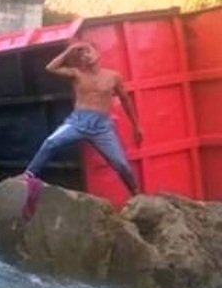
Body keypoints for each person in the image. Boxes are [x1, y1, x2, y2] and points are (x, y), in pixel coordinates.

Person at [21, 40, 143, 219]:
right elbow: (50, 68)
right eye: (81, 54)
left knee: (121, 164)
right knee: (51, 141)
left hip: (102, 126)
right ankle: (29, 173)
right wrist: (69, 50)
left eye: (88, 51)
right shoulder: (77, 73)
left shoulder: (113, 76)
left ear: (98, 52)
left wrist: (137, 125)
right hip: (78, 121)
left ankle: (136, 193)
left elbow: (125, 100)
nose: (85, 55)